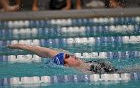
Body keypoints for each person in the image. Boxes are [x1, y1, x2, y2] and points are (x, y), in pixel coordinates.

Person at [8, 44, 140, 74]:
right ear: (66, 65)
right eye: (68, 57)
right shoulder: (82, 72)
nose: (72, 55)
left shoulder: (82, 63)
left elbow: (45, 51)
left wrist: (18, 46)